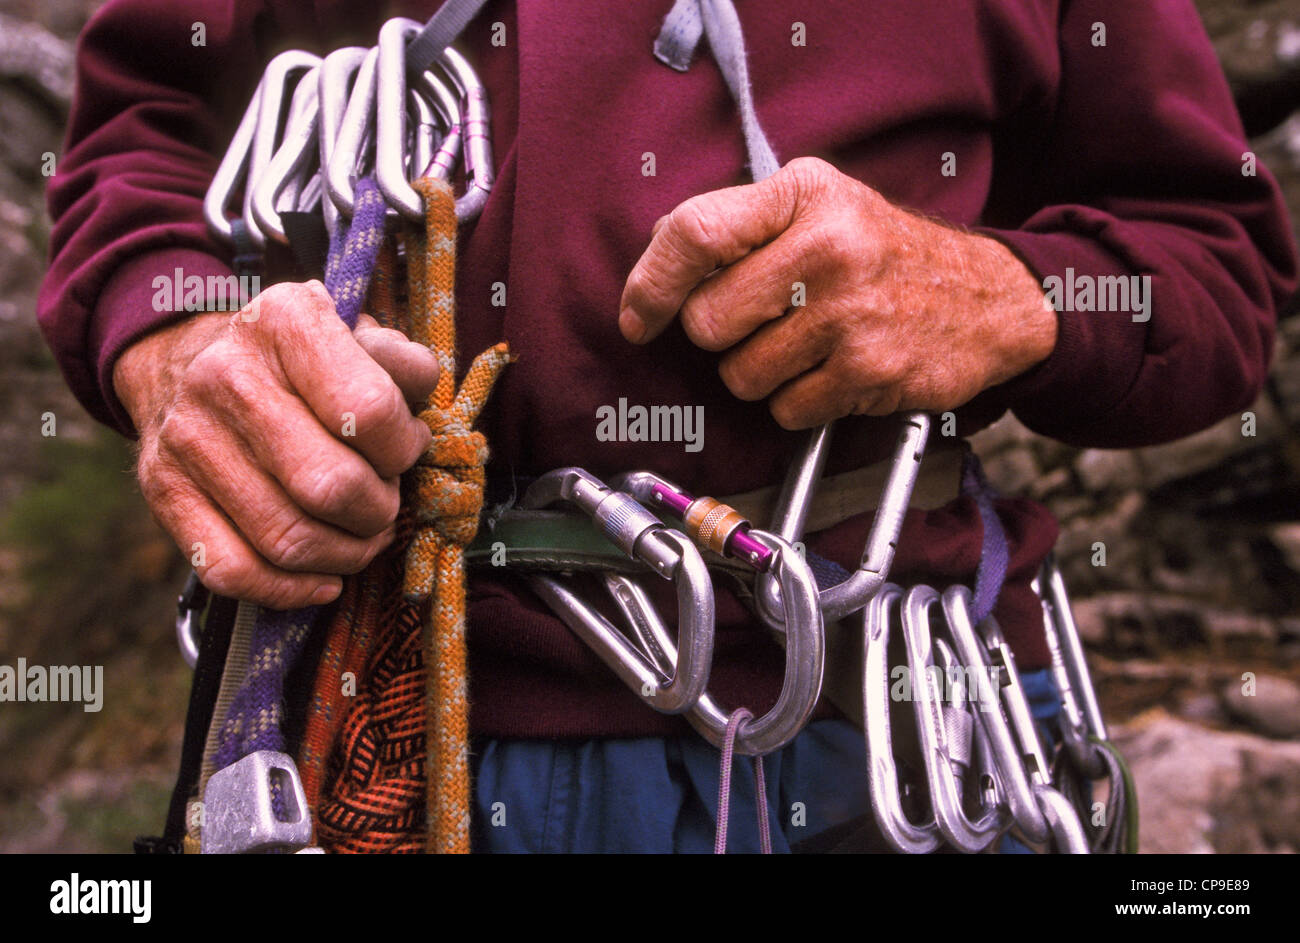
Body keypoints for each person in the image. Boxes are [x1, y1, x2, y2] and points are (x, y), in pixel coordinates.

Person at [39, 0, 1298, 852]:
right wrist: (185, 355)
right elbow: (137, 149)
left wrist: (998, 295)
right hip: (359, 719)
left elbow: (1212, 257)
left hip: (880, 737)